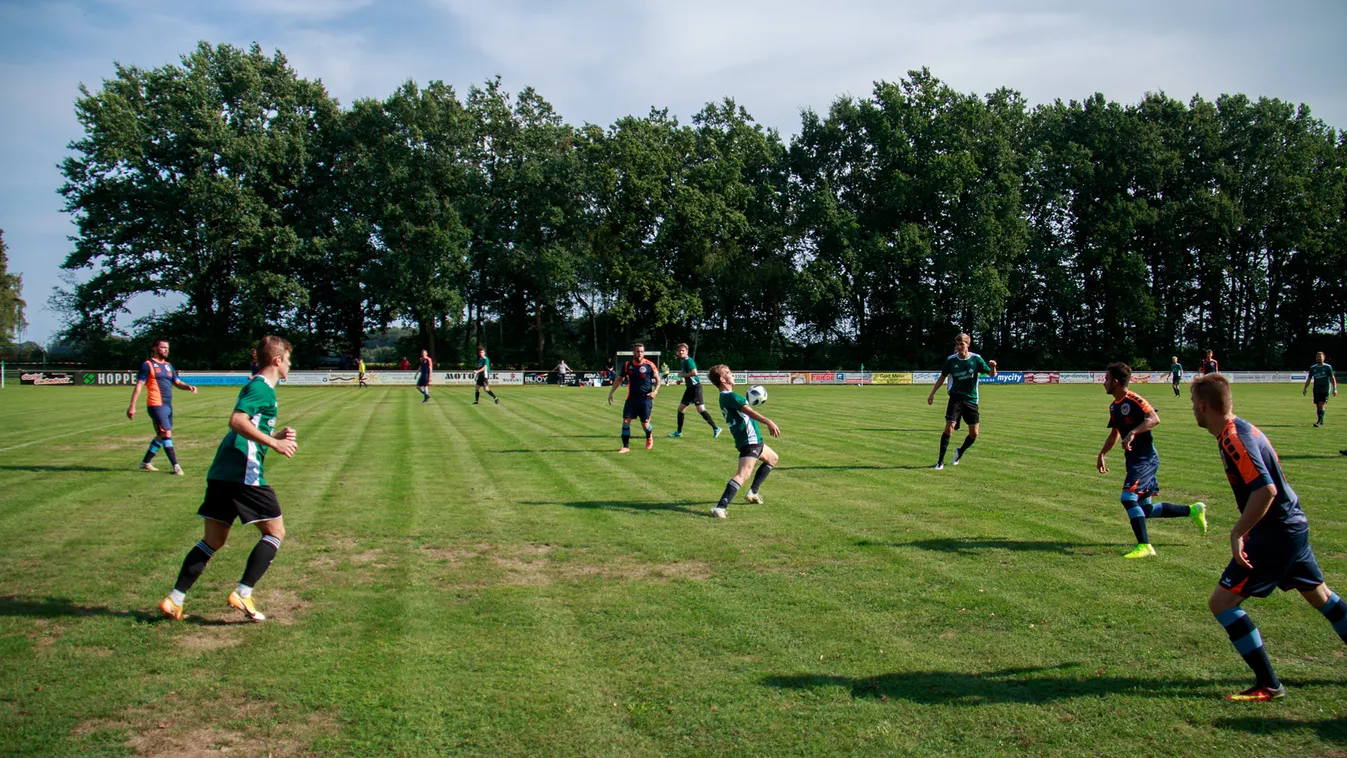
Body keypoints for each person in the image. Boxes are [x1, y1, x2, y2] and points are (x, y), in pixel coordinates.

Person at [1190, 373, 1347, 701]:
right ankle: (1269, 683)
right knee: (1320, 595)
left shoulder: (1235, 438)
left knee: (1222, 603)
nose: (1193, 409)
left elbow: (1266, 490)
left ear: (1203, 406)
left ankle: (1269, 684)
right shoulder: (1240, 429)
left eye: (1193, 403)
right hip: (1291, 524)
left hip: (1276, 531)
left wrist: (1238, 532)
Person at [159, 336, 298, 623]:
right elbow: (237, 421)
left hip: (222, 472)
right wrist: (274, 445)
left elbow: (248, 426)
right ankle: (244, 592)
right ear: (277, 361)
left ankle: (175, 599)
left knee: (213, 540)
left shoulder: (258, 387)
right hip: (243, 473)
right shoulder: (263, 388)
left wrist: (274, 436)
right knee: (275, 532)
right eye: (287, 359)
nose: (290, 364)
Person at [1096, 362, 1206, 558]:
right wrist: (1102, 454)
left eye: (1105, 379)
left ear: (1115, 382)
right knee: (1145, 509)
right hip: (1134, 460)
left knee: (1128, 498)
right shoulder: (1114, 406)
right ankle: (1192, 511)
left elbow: (1154, 419)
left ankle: (1145, 546)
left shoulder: (1135, 400)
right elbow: (1115, 434)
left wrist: (1133, 433)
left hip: (1145, 459)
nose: (1103, 383)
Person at [708, 364, 781, 519]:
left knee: (772, 458)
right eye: (728, 373)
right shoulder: (731, 397)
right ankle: (720, 507)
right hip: (750, 440)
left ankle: (753, 492)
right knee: (743, 474)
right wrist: (769, 422)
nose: (732, 374)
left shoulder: (725, 397)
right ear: (722, 379)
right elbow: (750, 412)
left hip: (752, 439)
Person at [127, 338, 198, 475]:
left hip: (167, 405)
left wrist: (188, 386)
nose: (166, 350)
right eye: (163, 347)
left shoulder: (168, 366)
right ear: (154, 348)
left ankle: (146, 462)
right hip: (156, 404)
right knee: (166, 432)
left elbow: (177, 382)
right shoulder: (147, 365)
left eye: (167, 348)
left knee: (161, 435)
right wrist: (132, 406)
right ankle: (176, 466)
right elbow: (139, 386)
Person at [926, 333, 996, 469]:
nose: (959, 347)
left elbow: (992, 374)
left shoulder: (976, 359)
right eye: (957, 344)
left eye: (962, 344)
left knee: (974, 433)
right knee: (949, 427)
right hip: (955, 398)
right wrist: (932, 393)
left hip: (971, 399)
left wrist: (993, 366)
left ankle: (960, 452)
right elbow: (942, 377)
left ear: (967, 345)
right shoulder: (951, 360)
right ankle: (940, 461)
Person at [607, 343, 660, 453]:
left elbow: (658, 380)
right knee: (626, 420)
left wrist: (655, 391)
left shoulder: (649, 365)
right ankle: (625, 446)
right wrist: (611, 392)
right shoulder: (627, 365)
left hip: (646, 399)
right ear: (633, 352)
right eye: (637, 351)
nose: (639, 353)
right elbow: (619, 379)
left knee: (645, 425)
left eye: (641, 351)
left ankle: (649, 435)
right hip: (631, 398)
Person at [668, 343, 720, 439]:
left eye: (683, 350)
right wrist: (682, 380)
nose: (681, 352)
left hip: (695, 388)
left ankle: (716, 428)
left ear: (687, 351)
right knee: (681, 409)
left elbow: (694, 373)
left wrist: (682, 375)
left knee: (700, 410)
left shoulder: (689, 361)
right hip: (690, 388)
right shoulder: (683, 362)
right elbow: (688, 375)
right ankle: (679, 432)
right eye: (679, 351)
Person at [1302, 352, 1337, 427]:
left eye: (1320, 357)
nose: (1318, 358)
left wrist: (1334, 388)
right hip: (1316, 389)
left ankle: (1319, 422)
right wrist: (1305, 388)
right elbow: (1309, 378)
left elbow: (1332, 378)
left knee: (1322, 404)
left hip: (1325, 389)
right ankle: (1321, 421)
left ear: (1324, 358)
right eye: (1317, 357)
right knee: (1318, 406)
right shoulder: (1313, 368)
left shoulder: (1328, 367)